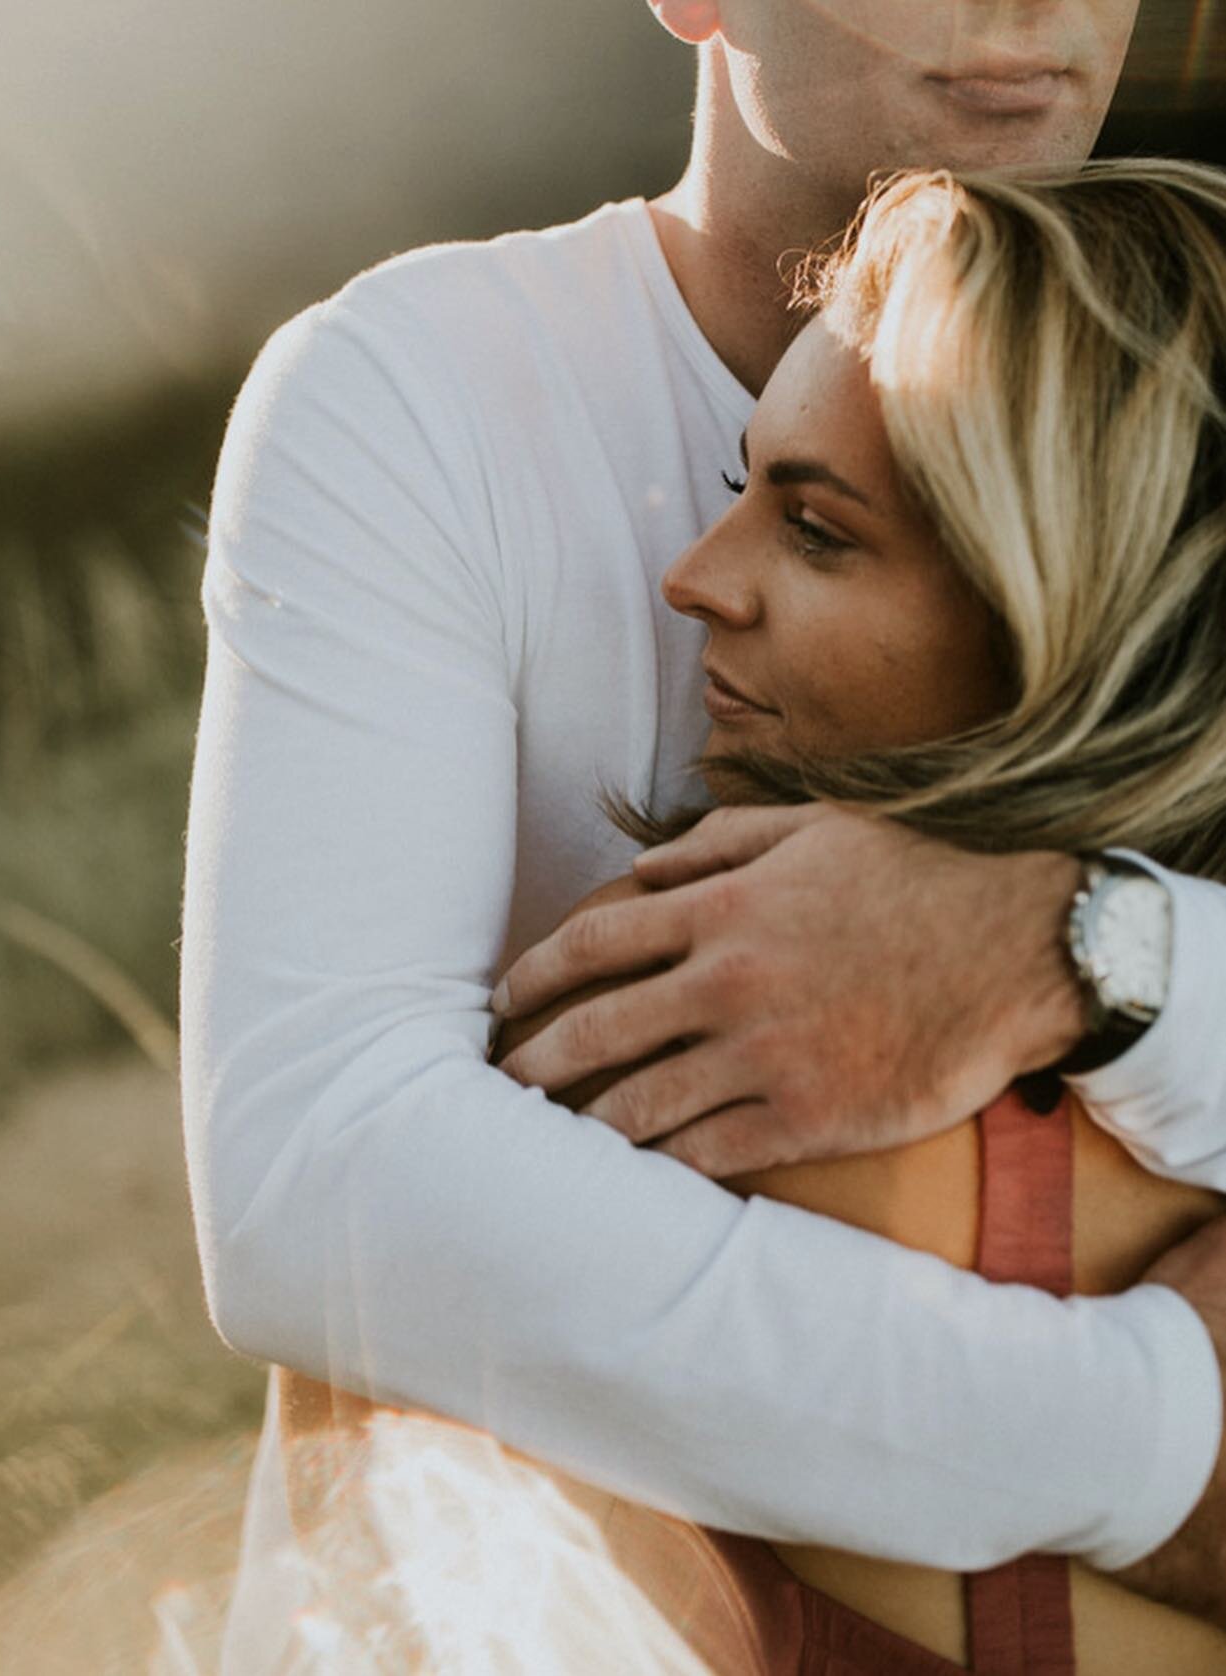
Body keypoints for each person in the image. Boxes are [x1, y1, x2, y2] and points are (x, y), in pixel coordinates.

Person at [180, 0, 1226, 1658]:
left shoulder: (1189, 379)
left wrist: (1097, 947)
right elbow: (325, 1177)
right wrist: (1152, 1442)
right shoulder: (421, 389)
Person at [492, 156, 1226, 1670]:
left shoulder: (702, 1062)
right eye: (735, 492)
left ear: (1069, 618)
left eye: (818, 530)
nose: (695, 582)